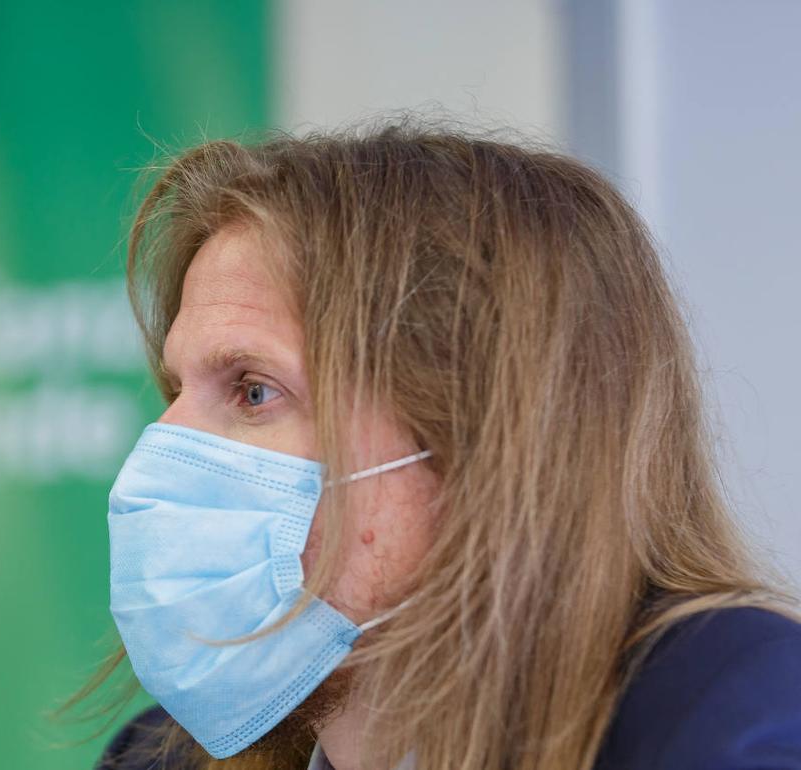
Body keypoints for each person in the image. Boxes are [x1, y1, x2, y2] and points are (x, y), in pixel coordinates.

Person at [71, 122, 801, 770]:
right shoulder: (159, 758)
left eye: (253, 391)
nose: (155, 454)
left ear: (482, 433)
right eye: (176, 393)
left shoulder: (728, 715)